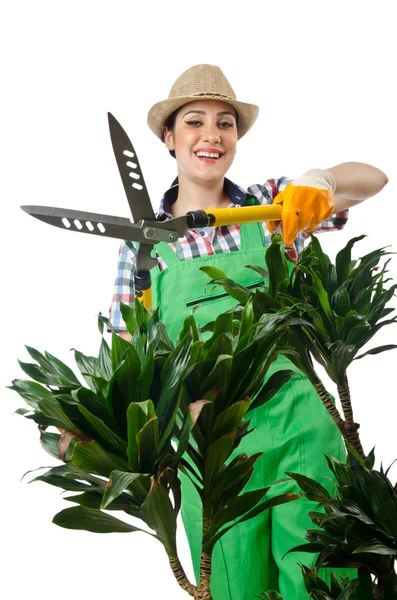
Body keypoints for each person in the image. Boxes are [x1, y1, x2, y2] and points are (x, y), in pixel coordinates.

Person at [109, 64, 388, 599]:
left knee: (330, 583)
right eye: (194, 122)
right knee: (236, 588)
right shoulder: (142, 249)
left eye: (225, 123)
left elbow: (372, 179)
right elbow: (129, 356)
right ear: (169, 138)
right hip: (212, 457)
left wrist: (321, 180)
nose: (211, 135)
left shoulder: (271, 207)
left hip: (303, 436)